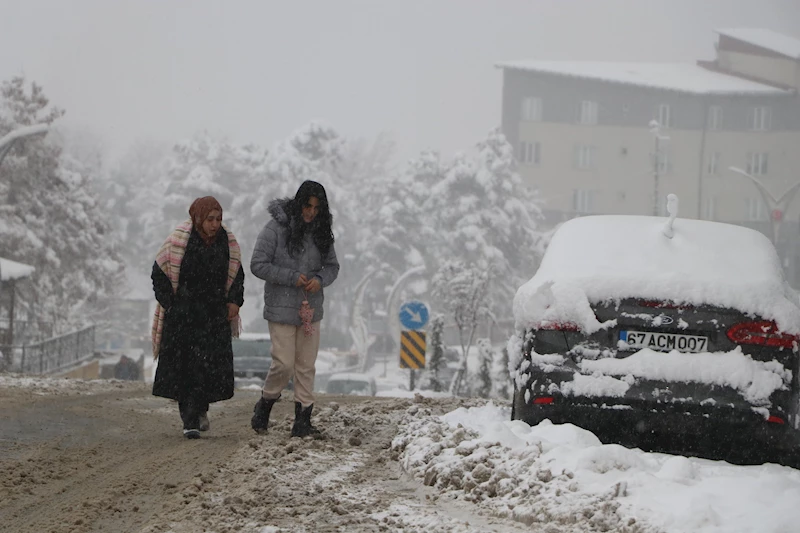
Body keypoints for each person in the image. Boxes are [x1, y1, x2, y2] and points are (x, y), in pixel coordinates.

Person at [250, 180, 339, 437]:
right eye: (307, 206)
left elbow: (333, 267)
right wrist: (290, 277)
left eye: (316, 207)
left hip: (310, 310)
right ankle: (266, 403)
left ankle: (303, 421)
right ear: (298, 204)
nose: (311, 212)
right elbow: (258, 264)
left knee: (306, 365)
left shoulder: (323, 233)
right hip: (281, 308)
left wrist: (320, 280)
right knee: (284, 364)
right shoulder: (275, 229)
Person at [151, 196, 245, 439]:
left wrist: (234, 302)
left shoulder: (228, 242)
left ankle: (201, 408)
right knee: (186, 369)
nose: (215, 224)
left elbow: (237, 276)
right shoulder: (179, 240)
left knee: (208, 369)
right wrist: (171, 304)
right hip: (183, 317)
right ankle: (189, 419)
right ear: (198, 218)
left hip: (214, 317)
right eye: (210, 219)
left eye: (219, 219)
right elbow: (159, 272)